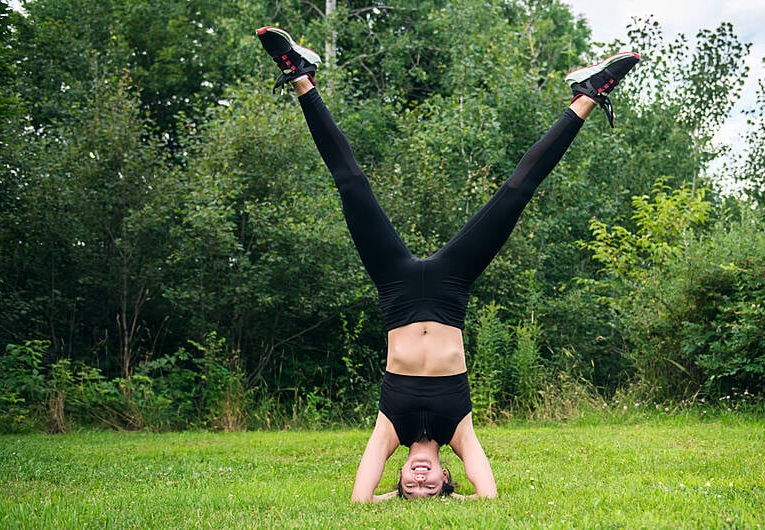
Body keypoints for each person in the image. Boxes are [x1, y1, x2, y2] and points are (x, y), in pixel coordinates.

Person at [255, 26, 639, 502]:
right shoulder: (460, 433)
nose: (419, 479)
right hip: (449, 288)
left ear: (397, 478)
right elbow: (490, 496)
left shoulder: (387, 431)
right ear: (444, 477)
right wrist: (457, 500)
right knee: (516, 193)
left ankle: (299, 75)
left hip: (394, 287)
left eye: (409, 486)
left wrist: (389, 500)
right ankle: (588, 93)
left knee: (351, 185)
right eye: (429, 485)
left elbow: (359, 500)